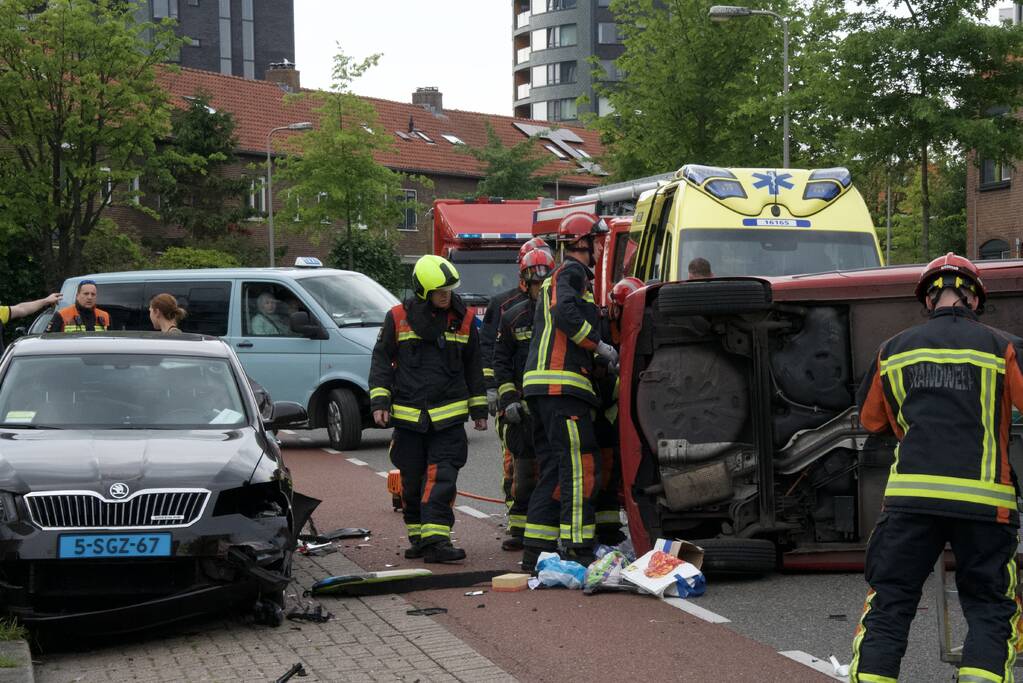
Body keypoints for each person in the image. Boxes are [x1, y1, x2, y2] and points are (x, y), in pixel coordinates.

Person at [849, 253, 1023, 683]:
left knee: (891, 599)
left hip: (911, 502)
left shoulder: (892, 350)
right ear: (975, 299)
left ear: (928, 300)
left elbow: (872, 421)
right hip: (985, 502)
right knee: (989, 603)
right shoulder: (1003, 346)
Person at [368, 254, 488, 563]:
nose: (446, 295)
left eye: (449, 289)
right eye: (439, 290)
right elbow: (381, 360)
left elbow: (474, 364)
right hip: (409, 418)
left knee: (442, 476)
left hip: (448, 418)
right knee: (411, 482)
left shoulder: (462, 320)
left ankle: (437, 540)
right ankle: (420, 538)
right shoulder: (397, 318)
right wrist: (380, 401)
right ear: (423, 290)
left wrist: (479, 409)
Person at [521, 212, 615, 571]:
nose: (600, 246)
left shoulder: (556, 278)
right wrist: (601, 347)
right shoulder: (572, 274)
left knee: (554, 469)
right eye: (596, 240)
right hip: (563, 386)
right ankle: (578, 546)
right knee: (581, 465)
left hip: (543, 389)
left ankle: (536, 550)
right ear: (582, 243)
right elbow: (565, 314)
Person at [479, 237, 552, 517]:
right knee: (515, 461)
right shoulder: (504, 307)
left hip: (544, 401)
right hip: (514, 399)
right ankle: (517, 518)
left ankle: (540, 517)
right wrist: (494, 390)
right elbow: (491, 350)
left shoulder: (556, 307)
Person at [492, 248, 556, 551]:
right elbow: (501, 362)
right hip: (521, 410)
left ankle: (547, 527)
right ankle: (519, 529)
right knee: (522, 471)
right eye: (535, 285)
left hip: (551, 407)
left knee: (552, 469)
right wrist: (508, 400)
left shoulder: (560, 317)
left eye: (544, 285)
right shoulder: (512, 317)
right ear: (525, 284)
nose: (539, 290)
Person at [593, 276, 644, 545]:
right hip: (601, 408)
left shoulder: (641, 324)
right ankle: (604, 527)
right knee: (602, 467)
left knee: (619, 469)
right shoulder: (600, 325)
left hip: (628, 407)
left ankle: (610, 527)